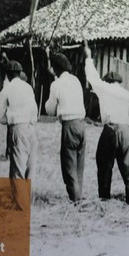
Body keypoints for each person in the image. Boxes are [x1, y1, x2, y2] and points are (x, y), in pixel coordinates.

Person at [83, 43, 129, 204]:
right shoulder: (125, 93)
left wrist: (88, 57)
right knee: (128, 166)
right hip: (126, 130)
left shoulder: (104, 88)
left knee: (104, 164)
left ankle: (104, 198)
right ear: (119, 82)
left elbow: (92, 77)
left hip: (111, 129)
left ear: (106, 81)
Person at [45, 51, 86, 202]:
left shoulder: (56, 85)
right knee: (79, 163)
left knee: (68, 164)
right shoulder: (75, 80)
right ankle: (79, 194)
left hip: (69, 125)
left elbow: (50, 110)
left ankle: (75, 199)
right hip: (81, 124)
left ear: (55, 69)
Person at [0, 60, 37, 180]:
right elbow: (34, 111)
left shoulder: (6, 90)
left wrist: (10, 120)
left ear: (8, 75)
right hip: (31, 128)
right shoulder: (28, 87)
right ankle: (29, 198)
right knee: (30, 169)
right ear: (19, 73)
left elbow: (0, 117)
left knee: (17, 170)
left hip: (17, 129)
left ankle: (19, 199)